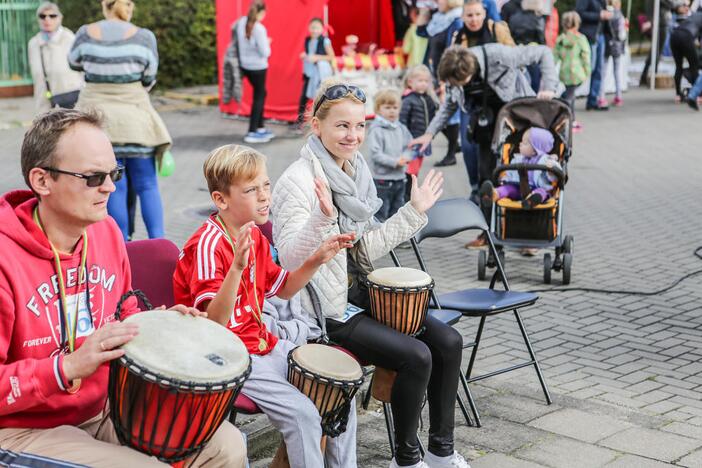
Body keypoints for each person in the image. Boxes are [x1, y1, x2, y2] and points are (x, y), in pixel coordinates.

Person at [0, 108, 246, 468]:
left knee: (226, 444)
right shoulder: (5, 258)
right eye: (93, 177)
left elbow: (122, 311)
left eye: (114, 173)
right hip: (23, 426)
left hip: (105, 406)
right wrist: (66, 367)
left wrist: (154, 325)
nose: (111, 187)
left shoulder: (107, 231)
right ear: (42, 180)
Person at [271, 80, 469, 468]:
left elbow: (364, 247)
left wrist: (414, 211)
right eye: (342, 126)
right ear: (317, 126)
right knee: (416, 356)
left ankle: (441, 451)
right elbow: (290, 261)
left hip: (356, 293)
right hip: (322, 311)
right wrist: (320, 219)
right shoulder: (296, 181)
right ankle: (407, 459)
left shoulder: (354, 172)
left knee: (448, 341)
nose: (353, 135)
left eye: (360, 126)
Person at [172, 145, 357, 468]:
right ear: (221, 199)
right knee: (303, 415)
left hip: (261, 344)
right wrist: (237, 269)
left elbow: (283, 289)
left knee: (336, 393)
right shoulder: (207, 244)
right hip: (225, 356)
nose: (264, 196)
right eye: (251, 189)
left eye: (266, 185)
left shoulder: (255, 236)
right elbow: (214, 325)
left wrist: (316, 259)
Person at [409, 44, 558, 249]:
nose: (456, 87)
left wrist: (548, 86)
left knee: (525, 177)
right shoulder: (453, 71)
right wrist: (429, 133)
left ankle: (528, 236)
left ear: (468, 72)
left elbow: (543, 52)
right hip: (485, 127)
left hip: (517, 122)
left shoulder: (499, 56)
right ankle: (488, 234)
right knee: (486, 181)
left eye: (459, 83)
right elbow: (449, 106)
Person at [69, 0, 169, 241]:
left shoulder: (85, 33)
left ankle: (121, 245)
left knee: (114, 187)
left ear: (105, 5)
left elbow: (73, 63)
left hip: (97, 124)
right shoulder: (144, 37)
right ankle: (160, 243)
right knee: (147, 185)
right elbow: (149, 77)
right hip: (135, 122)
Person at [447, 0, 514, 195]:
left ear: (484, 13)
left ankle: (493, 185)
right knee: (468, 146)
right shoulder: (458, 37)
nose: (474, 19)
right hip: (471, 100)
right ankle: (475, 187)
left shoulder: (498, 29)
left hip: (497, 98)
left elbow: (513, 56)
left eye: (477, 14)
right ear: (462, 17)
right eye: (469, 15)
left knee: (494, 144)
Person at [417, 0, 463, 168]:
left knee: (448, 112)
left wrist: (445, 79)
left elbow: (452, 50)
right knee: (438, 110)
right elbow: (421, 31)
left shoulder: (455, 20)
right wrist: (424, 11)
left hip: (446, 74)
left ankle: (451, 153)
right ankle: (455, 145)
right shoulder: (438, 18)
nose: (436, 2)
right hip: (434, 71)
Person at [478, 127, 562, 208]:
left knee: (542, 192)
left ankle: (532, 200)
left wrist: (551, 171)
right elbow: (509, 174)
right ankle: (493, 194)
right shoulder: (518, 159)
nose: (520, 144)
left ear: (536, 149)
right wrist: (504, 179)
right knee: (508, 189)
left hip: (537, 187)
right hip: (517, 188)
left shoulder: (546, 160)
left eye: (525, 143)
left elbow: (555, 175)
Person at [367, 89, 414, 222]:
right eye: (387, 107)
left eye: (395, 107)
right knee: (381, 213)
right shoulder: (376, 130)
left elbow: (409, 146)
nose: (392, 111)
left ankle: (395, 240)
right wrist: (395, 161)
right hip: (382, 180)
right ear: (378, 109)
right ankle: (379, 239)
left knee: (397, 211)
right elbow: (376, 154)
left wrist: (406, 157)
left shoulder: (401, 128)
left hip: (399, 178)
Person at [28, 2, 83, 114]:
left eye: (52, 16)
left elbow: (82, 69)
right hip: (44, 101)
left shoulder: (70, 39)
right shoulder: (33, 43)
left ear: (60, 18)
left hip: (69, 100)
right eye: (42, 16)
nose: (47, 19)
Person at [235, 1, 275, 144]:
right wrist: (268, 42)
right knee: (259, 96)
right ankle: (252, 131)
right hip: (258, 67)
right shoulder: (259, 28)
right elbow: (265, 52)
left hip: (245, 65)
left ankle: (260, 127)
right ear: (261, 12)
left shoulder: (241, 22)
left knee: (261, 93)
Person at [400, 65, 438, 201]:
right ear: (410, 82)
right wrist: (406, 140)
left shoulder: (428, 98)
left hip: (423, 140)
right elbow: (402, 121)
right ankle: (406, 195)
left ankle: (409, 193)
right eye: (420, 80)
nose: (423, 84)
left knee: (415, 169)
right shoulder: (408, 99)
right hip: (412, 141)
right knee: (410, 170)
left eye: (426, 81)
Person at [554, 11, 591, 131]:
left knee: (570, 95)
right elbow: (586, 55)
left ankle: (571, 119)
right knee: (569, 97)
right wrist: (587, 70)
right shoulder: (581, 39)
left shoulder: (560, 39)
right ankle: (568, 120)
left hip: (565, 73)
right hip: (577, 73)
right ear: (577, 24)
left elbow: (555, 57)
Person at [295, 17, 335, 128]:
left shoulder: (325, 40)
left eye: (317, 28)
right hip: (310, 72)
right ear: (309, 28)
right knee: (304, 96)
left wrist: (317, 57)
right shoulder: (308, 40)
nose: (314, 30)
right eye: (312, 27)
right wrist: (305, 56)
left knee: (322, 97)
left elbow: (331, 56)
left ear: (322, 29)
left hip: (321, 73)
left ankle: (324, 121)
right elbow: (309, 55)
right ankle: (300, 122)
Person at [576, 0, 613, 110]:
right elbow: (579, 13)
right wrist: (599, 15)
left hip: (600, 36)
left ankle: (593, 100)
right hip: (589, 36)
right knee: (588, 69)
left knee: (598, 70)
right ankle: (567, 94)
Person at [598, 0, 627, 107]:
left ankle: (601, 97)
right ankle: (618, 96)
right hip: (618, 45)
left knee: (603, 71)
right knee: (616, 72)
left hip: (607, 44)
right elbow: (622, 33)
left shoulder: (607, 14)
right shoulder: (620, 15)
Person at [670, 11, 702, 102]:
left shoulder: (695, 14)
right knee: (694, 66)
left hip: (674, 35)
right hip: (686, 36)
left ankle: (678, 95)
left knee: (678, 66)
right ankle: (698, 95)